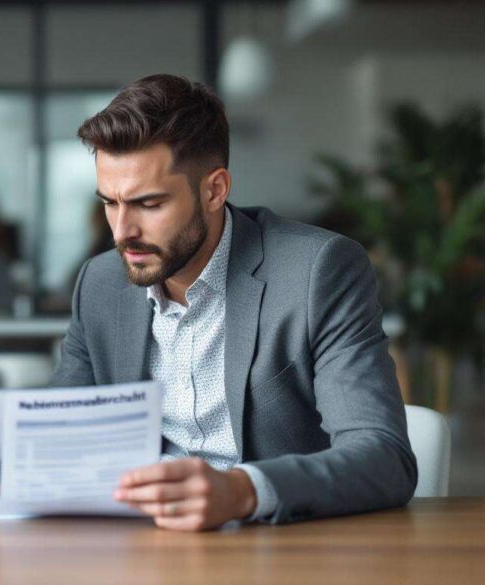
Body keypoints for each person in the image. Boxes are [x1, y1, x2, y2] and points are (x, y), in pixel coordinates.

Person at [51, 74, 416, 531]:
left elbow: (384, 458)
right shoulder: (101, 283)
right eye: (110, 202)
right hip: (140, 542)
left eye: (149, 204)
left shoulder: (317, 271)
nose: (122, 232)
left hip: (277, 542)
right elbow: (53, 440)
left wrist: (241, 491)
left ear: (214, 190)